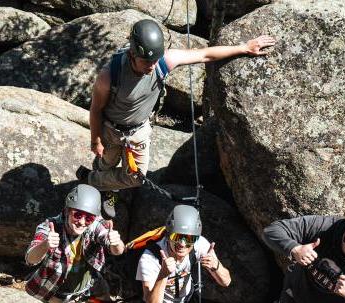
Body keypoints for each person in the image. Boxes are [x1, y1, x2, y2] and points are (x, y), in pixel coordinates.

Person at [79, 18, 275, 218]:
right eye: (146, 61)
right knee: (106, 162)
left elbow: (205, 54)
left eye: (155, 60)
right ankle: (105, 188)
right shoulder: (110, 75)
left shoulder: (163, 62)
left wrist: (244, 48)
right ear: (133, 53)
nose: (152, 66)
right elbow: (96, 109)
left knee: (135, 178)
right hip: (111, 130)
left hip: (138, 131)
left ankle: (92, 180)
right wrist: (96, 139)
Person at [25, 184, 129, 303]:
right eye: (77, 215)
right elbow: (31, 259)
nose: (82, 222)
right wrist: (46, 244)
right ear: (67, 210)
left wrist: (116, 242)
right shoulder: (49, 227)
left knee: (104, 297)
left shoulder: (95, 225)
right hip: (60, 286)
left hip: (91, 280)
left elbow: (117, 251)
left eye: (88, 218)